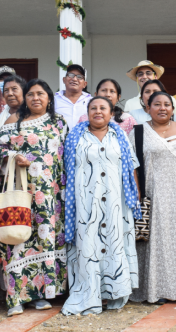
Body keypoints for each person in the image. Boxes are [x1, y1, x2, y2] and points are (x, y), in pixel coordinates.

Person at [0, 79, 68, 316]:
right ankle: (15, 297)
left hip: (49, 196)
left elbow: (66, 157)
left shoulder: (59, 123)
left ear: (49, 98)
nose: (36, 98)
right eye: (31, 94)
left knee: (42, 241)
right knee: (16, 239)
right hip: (19, 192)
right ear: (25, 99)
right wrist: (15, 156)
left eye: (41, 94)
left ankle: (39, 294)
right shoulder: (13, 123)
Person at [62, 97, 141, 315]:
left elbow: (131, 166)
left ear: (111, 112)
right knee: (88, 244)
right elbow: (66, 170)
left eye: (102, 108)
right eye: (93, 108)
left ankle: (113, 292)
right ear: (87, 112)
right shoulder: (75, 137)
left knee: (115, 242)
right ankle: (90, 293)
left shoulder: (120, 136)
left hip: (116, 202)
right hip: (85, 202)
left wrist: (134, 198)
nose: (98, 111)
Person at [128, 91, 176, 304]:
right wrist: (136, 194)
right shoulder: (137, 132)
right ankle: (152, 290)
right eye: (157, 104)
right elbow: (132, 167)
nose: (162, 108)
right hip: (150, 195)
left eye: (167, 104)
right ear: (148, 108)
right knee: (150, 242)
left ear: (173, 109)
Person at [54, 64, 92, 129]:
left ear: (84, 84)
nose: (74, 79)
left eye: (79, 77)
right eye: (70, 75)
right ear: (64, 80)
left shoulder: (91, 101)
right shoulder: (54, 100)